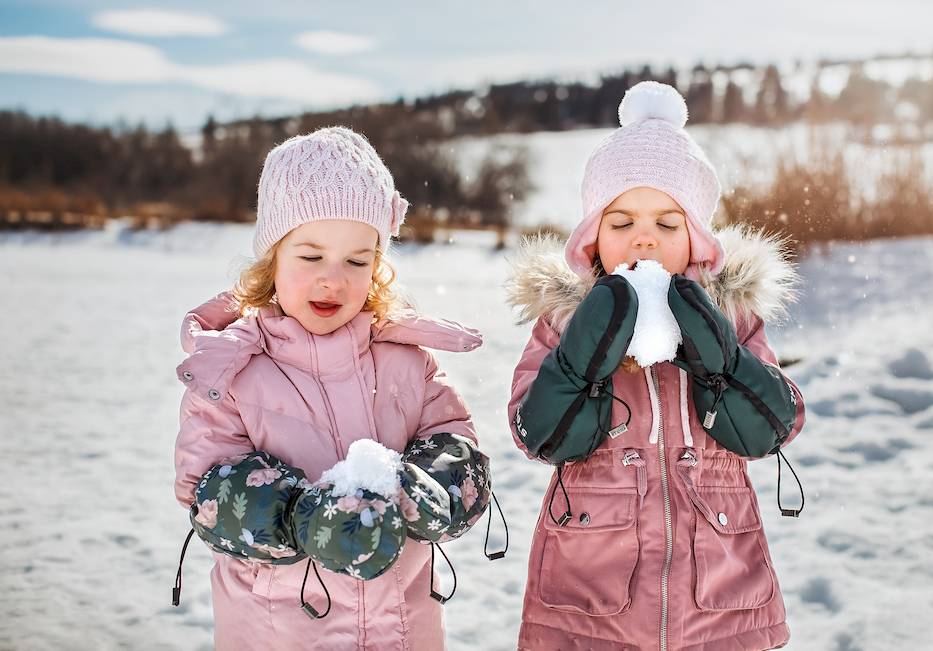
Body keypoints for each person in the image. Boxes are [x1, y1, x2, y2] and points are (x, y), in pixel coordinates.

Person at [506, 81, 807, 650]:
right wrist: (580, 358)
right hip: (590, 595)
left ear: (698, 242)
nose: (643, 239)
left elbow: (776, 427)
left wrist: (720, 361)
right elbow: (534, 432)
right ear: (592, 240)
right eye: (621, 223)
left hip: (719, 591)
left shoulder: (732, 317)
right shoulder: (561, 322)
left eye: (667, 224)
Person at [173, 126, 492, 650]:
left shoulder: (407, 361)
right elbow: (204, 487)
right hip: (280, 632)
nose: (333, 279)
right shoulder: (230, 372)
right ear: (272, 259)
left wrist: (432, 492)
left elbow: (457, 446)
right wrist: (301, 517)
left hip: (403, 631)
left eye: (357, 261)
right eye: (311, 256)